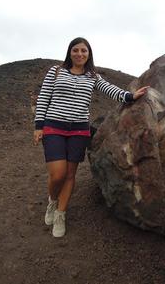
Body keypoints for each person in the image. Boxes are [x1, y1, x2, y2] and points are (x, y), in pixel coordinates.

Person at [33, 37, 150, 238]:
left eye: (84, 51)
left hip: (79, 130)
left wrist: (130, 96)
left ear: (89, 54)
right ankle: (52, 201)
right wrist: (38, 126)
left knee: (70, 174)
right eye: (76, 50)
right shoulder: (56, 71)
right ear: (70, 52)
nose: (80, 54)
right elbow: (44, 97)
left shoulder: (92, 76)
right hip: (53, 127)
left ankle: (61, 213)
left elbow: (110, 90)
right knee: (58, 174)